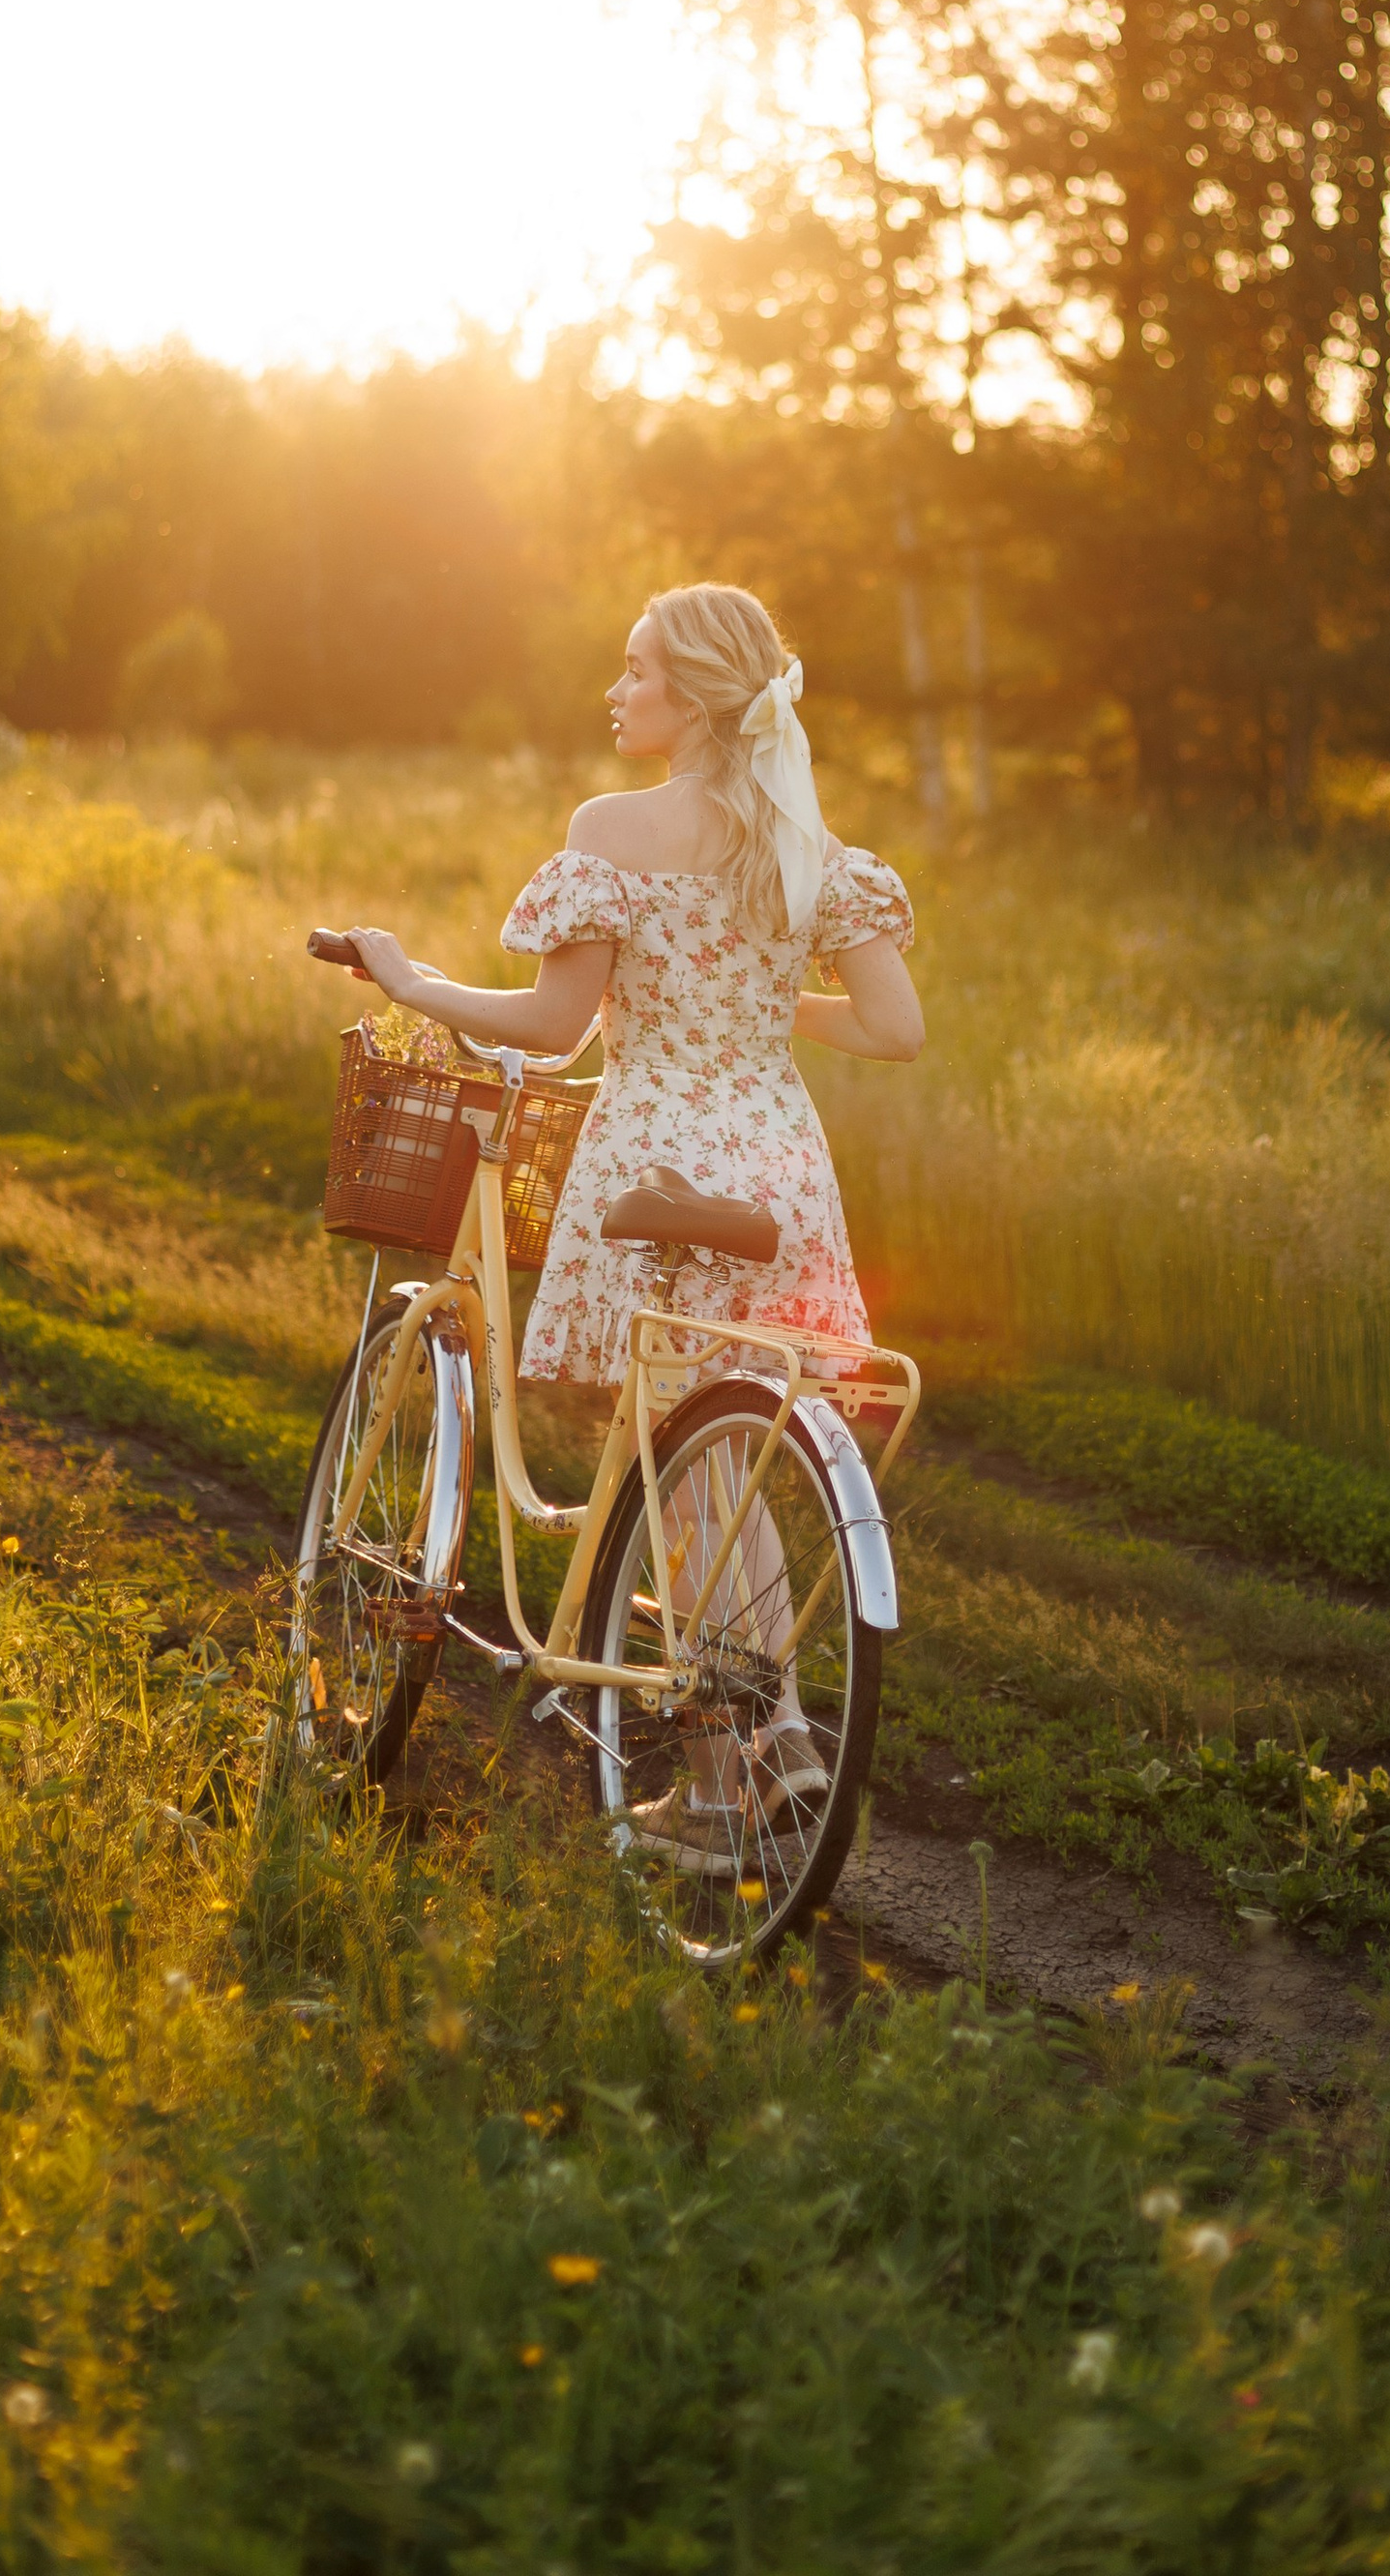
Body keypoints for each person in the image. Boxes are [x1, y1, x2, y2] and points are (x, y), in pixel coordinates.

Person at [333, 580, 922, 1870]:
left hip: (654, 1152)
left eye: (638, 670)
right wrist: (763, 1009)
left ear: (697, 697)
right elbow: (894, 1030)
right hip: (777, 1168)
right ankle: (778, 1743)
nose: (617, 689)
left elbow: (552, 1029)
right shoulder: (809, 850)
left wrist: (409, 976)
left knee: (678, 1452)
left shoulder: (613, 828)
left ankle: (728, 1776)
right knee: (720, 1448)